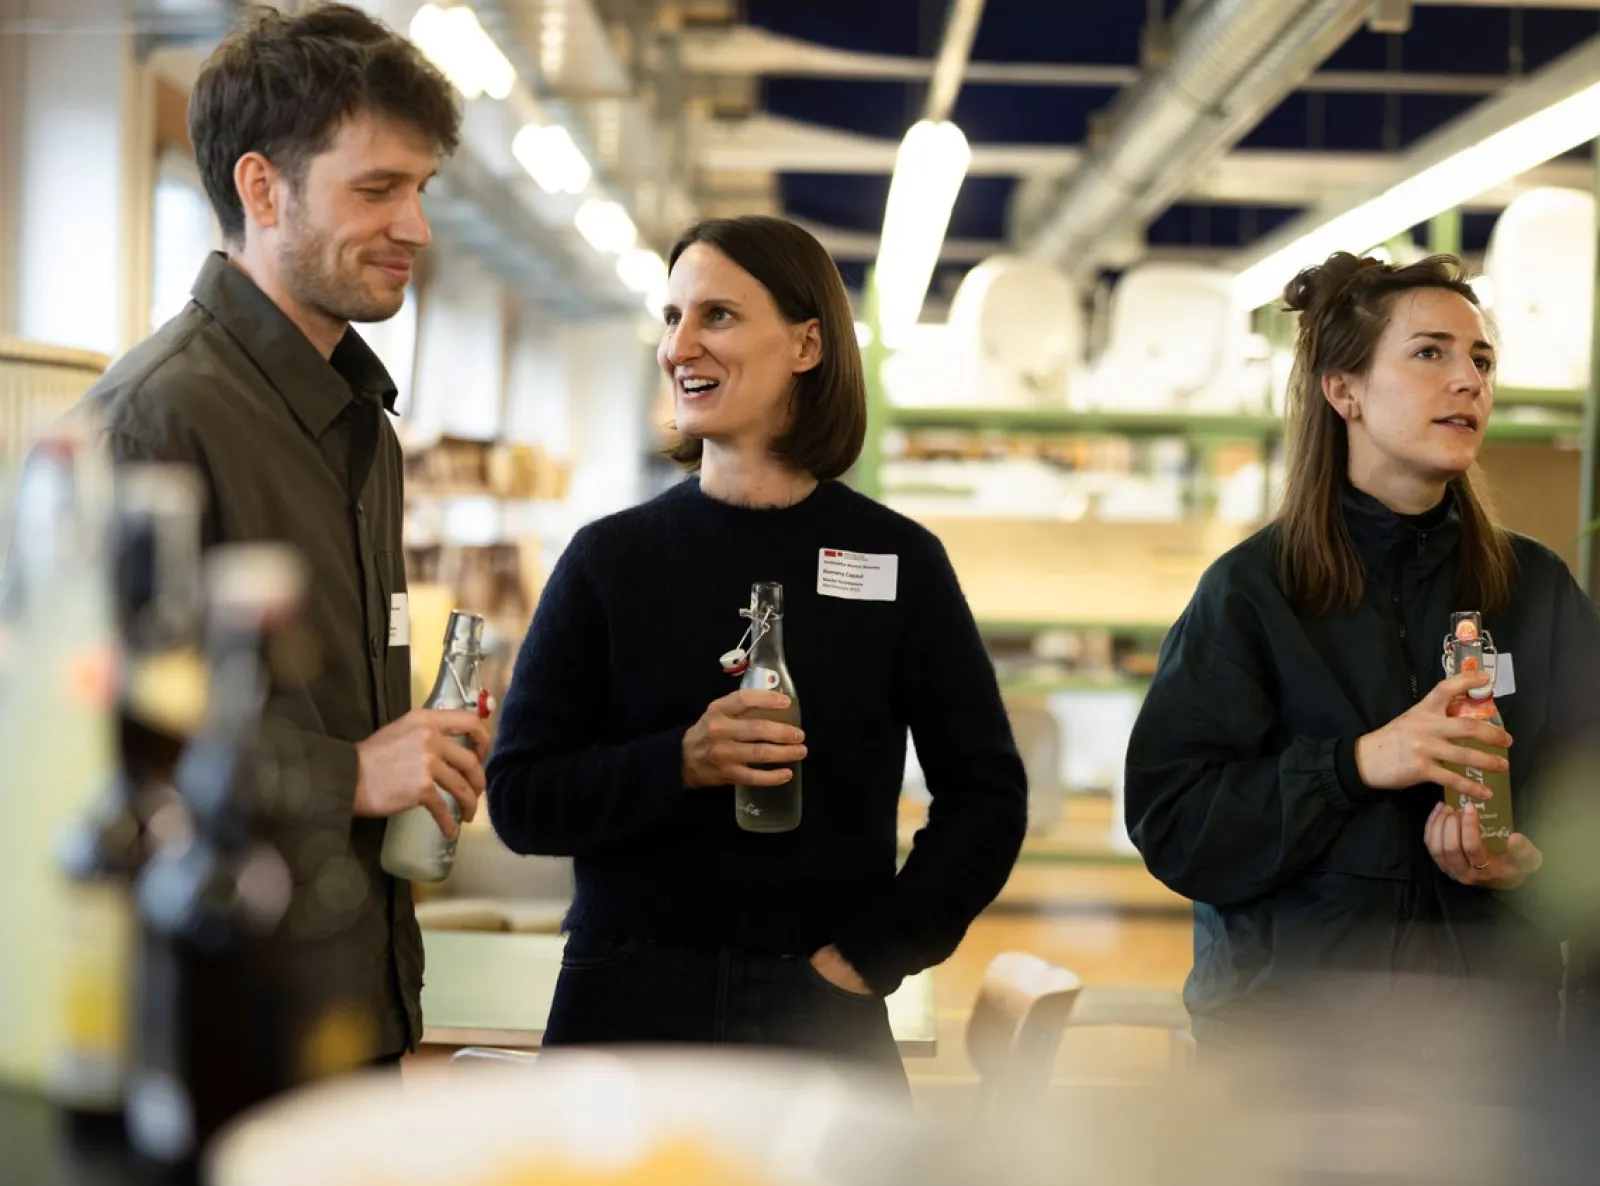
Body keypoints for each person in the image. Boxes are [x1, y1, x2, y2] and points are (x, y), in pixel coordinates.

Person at [485, 215, 1027, 1093]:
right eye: (670, 318)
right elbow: (519, 799)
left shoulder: (896, 562)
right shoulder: (609, 560)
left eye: (718, 316)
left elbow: (987, 798)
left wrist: (870, 955)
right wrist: (681, 762)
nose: (679, 346)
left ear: (807, 343)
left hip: (822, 1007)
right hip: (625, 998)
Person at [77, 3, 488, 1065]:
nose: (417, 228)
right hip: (220, 1025)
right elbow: (87, 747)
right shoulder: (151, 422)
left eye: (421, 189)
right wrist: (347, 776)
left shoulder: (362, 427)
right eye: (377, 189)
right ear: (262, 189)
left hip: (357, 993)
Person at [1124, 251, 1600, 1058]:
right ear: (1342, 391)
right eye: (1430, 353)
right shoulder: (1253, 593)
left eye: (1481, 359)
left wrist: (1530, 863)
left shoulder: (1536, 588)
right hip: (1290, 1050)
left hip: (1486, 1049)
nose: (1468, 380)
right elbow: (1176, 824)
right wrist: (1357, 763)